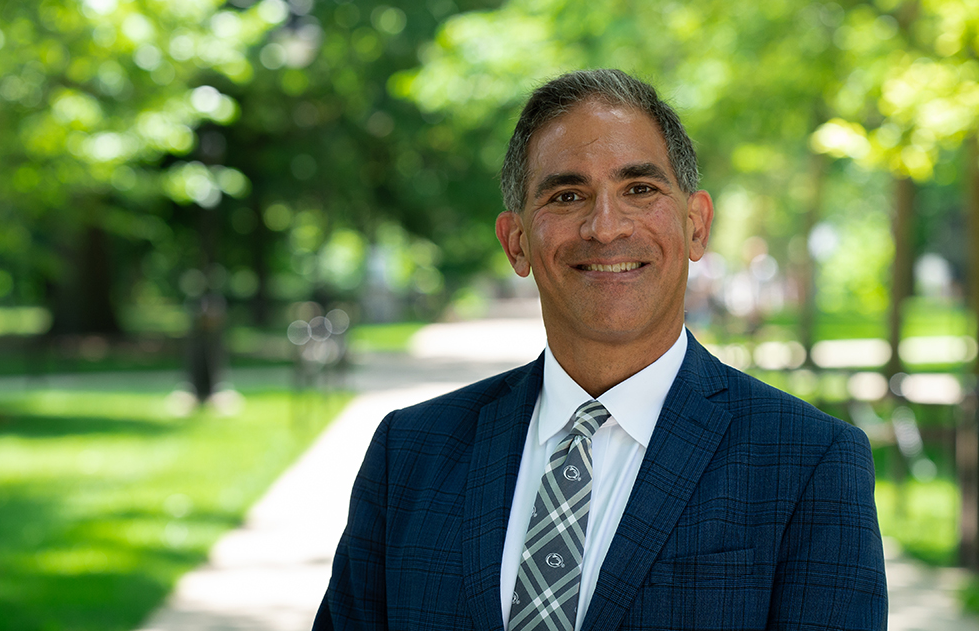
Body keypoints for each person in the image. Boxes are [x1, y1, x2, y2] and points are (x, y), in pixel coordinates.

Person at [314, 69, 887, 630]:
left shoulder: (811, 463)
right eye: (567, 195)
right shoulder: (409, 453)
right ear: (517, 243)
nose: (606, 226)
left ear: (696, 226)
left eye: (639, 189)